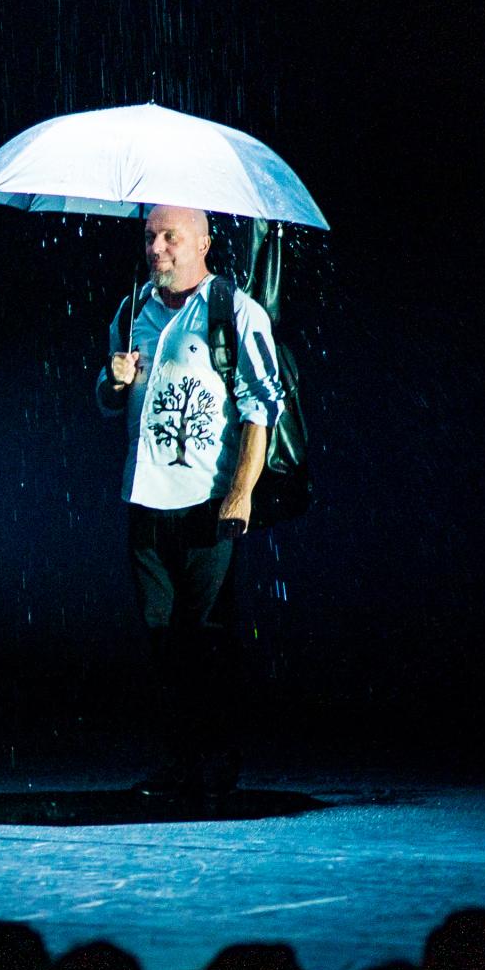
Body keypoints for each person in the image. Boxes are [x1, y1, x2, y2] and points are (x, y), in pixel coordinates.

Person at [97, 202, 284, 795]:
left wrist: (241, 493)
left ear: (202, 243)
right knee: (160, 636)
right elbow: (107, 401)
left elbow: (262, 408)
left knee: (206, 634)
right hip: (145, 501)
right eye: (150, 238)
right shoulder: (131, 313)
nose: (157, 250)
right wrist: (113, 381)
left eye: (170, 238)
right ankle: (178, 759)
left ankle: (219, 758)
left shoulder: (234, 311)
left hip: (207, 503)